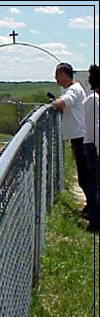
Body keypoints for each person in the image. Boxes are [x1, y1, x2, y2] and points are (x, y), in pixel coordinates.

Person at [51, 63, 89, 217]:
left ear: (64, 75)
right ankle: (90, 206)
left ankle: (93, 209)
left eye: (57, 75)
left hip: (80, 137)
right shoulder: (71, 89)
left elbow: (63, 102)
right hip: (78, 136)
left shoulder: (73, 90)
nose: (55, 78)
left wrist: (52, 103)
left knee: (85, 176)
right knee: (85, 175)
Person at [83, 64, 99, 230]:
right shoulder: (93, 100)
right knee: (95, 185)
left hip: (94, 145)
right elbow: (94, 128)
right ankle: (95, 222)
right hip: (93, 146)